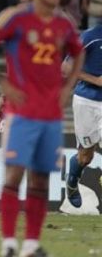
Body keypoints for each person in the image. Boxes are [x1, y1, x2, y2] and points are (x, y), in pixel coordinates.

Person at [0, 0, 84, 257]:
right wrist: (1, 83)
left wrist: (68, 86)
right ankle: (8, 243)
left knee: (42, 179)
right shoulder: (15, 19)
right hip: (21, 114)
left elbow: (78, 53)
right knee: (14, 176)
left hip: (52, 116)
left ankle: (31, 245)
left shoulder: (63, 24)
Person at [65, 22, 102, 208]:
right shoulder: (89, 37)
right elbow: (66, 68)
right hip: (87, 101)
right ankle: (72, 182)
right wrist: (95, 79)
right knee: (85, 156)